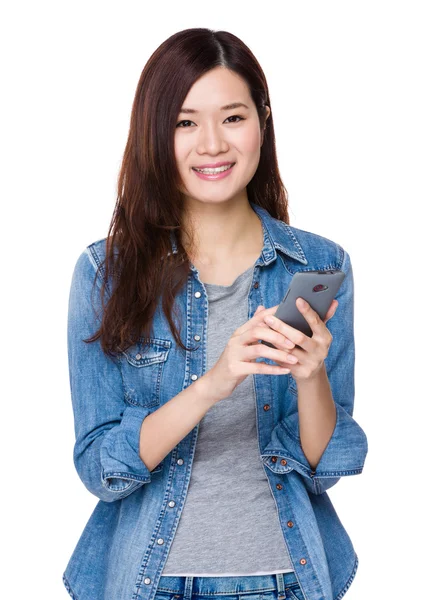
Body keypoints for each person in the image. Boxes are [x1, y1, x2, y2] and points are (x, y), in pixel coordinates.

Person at [63, 28, 368, 600]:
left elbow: (324, 467)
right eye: (185, 122)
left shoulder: (319, 267)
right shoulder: (106, 272)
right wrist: (214, 383)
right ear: (156, 134)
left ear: (262, 122)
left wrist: (312, 377)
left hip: (286, 579)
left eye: (232, 117)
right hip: (151, 582)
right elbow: (100, 467)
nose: (211, 144)